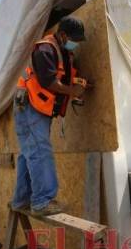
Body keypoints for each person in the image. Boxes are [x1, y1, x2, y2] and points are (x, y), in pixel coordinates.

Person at [12, 16, 87, 215]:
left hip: (36, 107)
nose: (76, 44)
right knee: (39, 150)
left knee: (28, 153)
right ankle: (42, 201)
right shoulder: (44, 49)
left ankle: (21, 200)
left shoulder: (62, 51)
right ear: (63, 35)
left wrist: (76, 89)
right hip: (29, 106)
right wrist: (73, 91)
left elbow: (62, 80)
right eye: (74, 40)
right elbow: (48, 82)